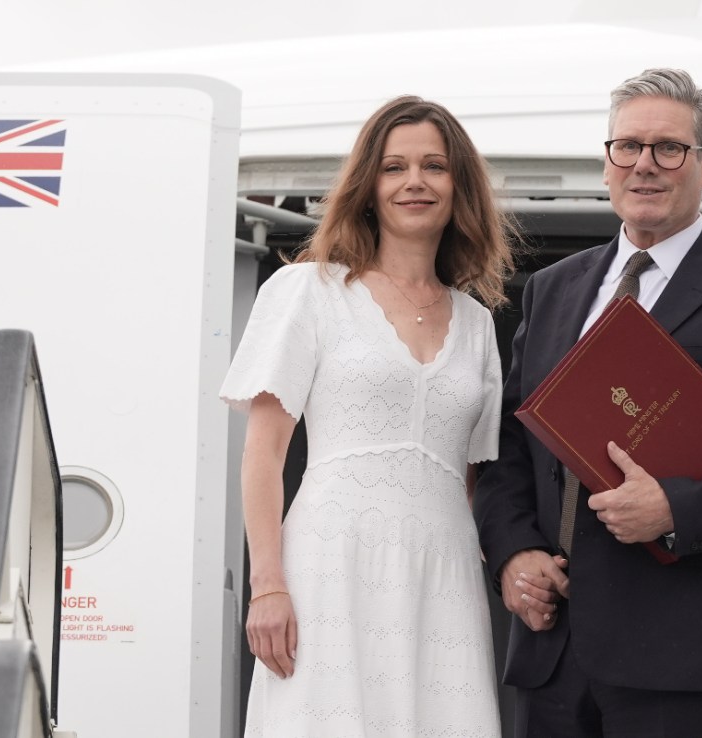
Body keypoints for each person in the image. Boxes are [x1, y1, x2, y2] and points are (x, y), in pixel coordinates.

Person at [473, 68, 702, 737]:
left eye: (668, 148)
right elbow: (508, 448)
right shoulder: (551, 290)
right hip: (552, 655)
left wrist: (673, 509)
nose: (645, 165)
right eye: (627, 147)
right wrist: (514, 552)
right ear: (605, 163)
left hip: (687, 660)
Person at [220, 95, 517, 736]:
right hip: (330, 566)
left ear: (458, 185)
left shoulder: (478, 325)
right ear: (368, 185)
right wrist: (267, 585)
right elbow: (264, 453)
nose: (415, 182)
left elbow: (477, 482)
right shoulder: (309, 290)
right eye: (394, 167)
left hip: (443, 576)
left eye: (434, 166)